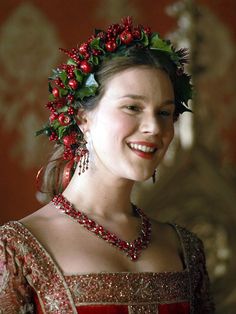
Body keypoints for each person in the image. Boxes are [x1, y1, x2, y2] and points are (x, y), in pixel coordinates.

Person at [0, 17, 214, 313]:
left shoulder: (185, 249)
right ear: (82, 118)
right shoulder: (19, 249)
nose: (154, 127)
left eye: (164, 112)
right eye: (133, 107)